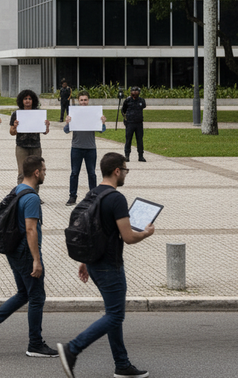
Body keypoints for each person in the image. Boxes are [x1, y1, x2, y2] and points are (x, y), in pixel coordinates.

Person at [57, 152, 155, 378]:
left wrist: (84, 260)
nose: (126, 175)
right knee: (115, 315)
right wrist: (147, 233)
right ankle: (72, 349)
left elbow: (91, 228)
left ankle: (122, 365)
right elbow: (129, 237)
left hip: (94, 263)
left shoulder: (93, 193)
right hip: (109, 266)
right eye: (125, 170)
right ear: (117, 171)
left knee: (114, 313)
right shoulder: (116, 198)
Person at [0, 156, 57, 358]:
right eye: (44, 170)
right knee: (37, 297)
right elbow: (31, 230)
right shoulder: (32, 198)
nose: (46, 173)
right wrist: (36, 260)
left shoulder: (18, 190)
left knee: (23, 293)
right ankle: (35, 344)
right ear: (36, 172)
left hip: (13, 252)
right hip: (26, 254)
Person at [64, 91, 107, 206]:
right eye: (81, 100)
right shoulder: (74, 113)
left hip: (90, 147)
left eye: (85, 100)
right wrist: (68, 123)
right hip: (77, 147)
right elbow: (66, 130)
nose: (83, 102)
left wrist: (102, 122)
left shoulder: (93, 113)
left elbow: (102, 130)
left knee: (92, 173)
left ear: (88, 101)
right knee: (74, 173)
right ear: (78, 101)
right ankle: (72, 196)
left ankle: (93, 196)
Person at [10, 89, 50, 196]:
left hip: (35, 146)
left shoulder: (38, 113)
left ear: (33, 100)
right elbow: (12, 132)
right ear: (21, 101)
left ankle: (34, 194)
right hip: (21, 146)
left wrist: (46, 126)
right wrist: (15, 126)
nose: (27, 101)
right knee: (22, 172)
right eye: (25, 99)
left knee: (36, 171)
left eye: (29, 99)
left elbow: (45, 132)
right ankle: (21, 194)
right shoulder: (16, 114)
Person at [121, 86, 146, 162]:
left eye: (136, 91)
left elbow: (143, 106)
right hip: (130, 123)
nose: (135, 93)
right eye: (133, 91)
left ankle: (141, 156)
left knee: (140, 140)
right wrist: (126, 119)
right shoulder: (127, 101)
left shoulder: (141, 100)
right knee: (128, 140)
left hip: (139, 123)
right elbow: (123, 110)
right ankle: (127, 156)